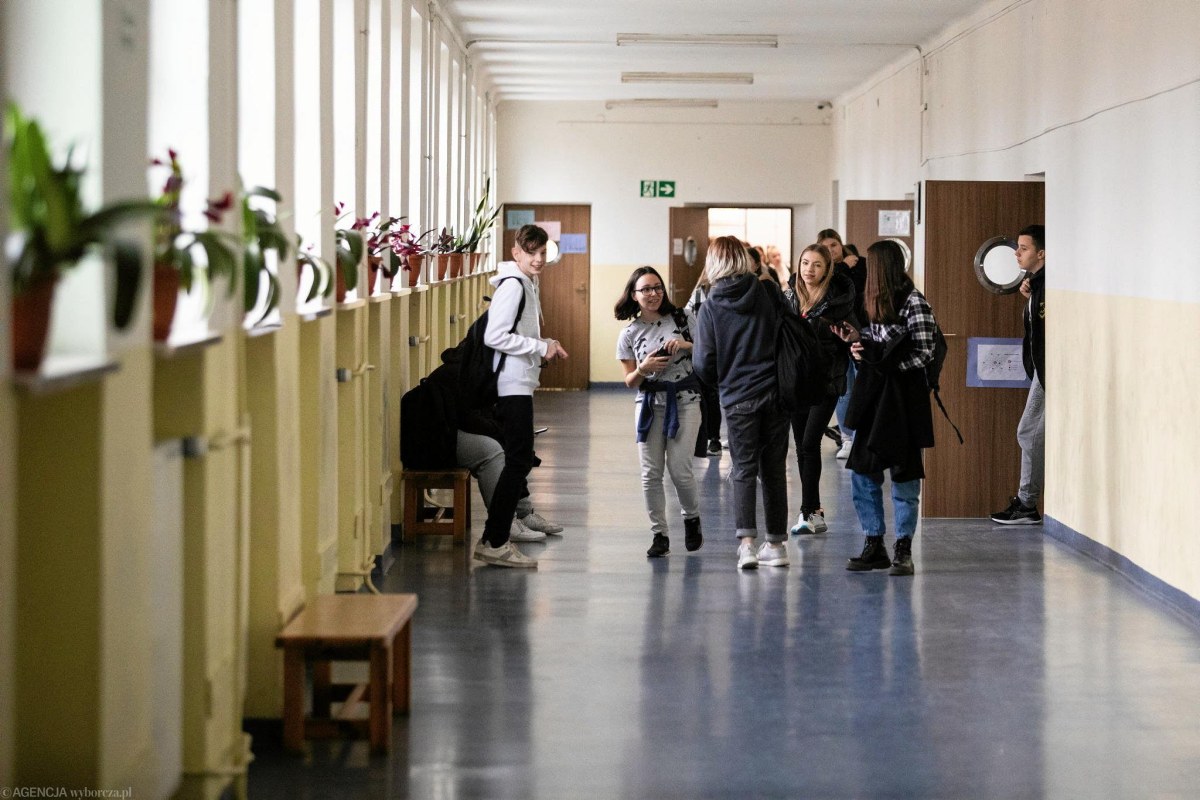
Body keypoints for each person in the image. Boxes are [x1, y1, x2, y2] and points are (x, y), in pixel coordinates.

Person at [832, 239, 937, 576]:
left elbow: (924, 352)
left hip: (903, 401)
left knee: (904, 476)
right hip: (874, 398)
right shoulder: (873, 300)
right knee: (863, 472)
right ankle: (873, 542)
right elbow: (876, 346)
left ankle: (903, 548)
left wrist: (882, 361)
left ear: (882, 268)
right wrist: (858, 343)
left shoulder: (913, 301)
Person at [473, 224, 569, 568]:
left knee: (519, 459)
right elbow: (494, 336)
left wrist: (545, 344)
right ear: (517, 253)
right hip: (510, 384)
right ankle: (495, 540)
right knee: (517, 461)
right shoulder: (513, 285)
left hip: (520, 381)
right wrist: (539, 347)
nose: (538, 259)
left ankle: (496, 537)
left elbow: (518, 334)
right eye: (531, 252)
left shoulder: (527, 282)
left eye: (542, 252)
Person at [693, 236, 791, 569]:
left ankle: (747, 546)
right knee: (774, 470)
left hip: (738, 397)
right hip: (776, 393)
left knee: (744, 469)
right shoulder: (768, 292)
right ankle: (776, 546)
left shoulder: (710, 305)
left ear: (714, 263)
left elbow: (704, 362)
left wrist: (723, 380)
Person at [400, 354, 563, 543]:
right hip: (432, 441)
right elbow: (470, 420)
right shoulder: (467, 373)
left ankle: (523, 513)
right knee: (491, 451)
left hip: (449, 431)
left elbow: (493, 415)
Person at [615, 266, 704, 557]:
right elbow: (630, 381)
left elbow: (707, 352)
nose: (653, 294)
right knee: (650, 473)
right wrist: (643, 368)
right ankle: (659, 535)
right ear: (634, 295)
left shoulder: (682, 317)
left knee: (680, 470)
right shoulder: (629, 333)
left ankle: (691, 517)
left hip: (686, 400)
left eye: (657, 288)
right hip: (649, 405)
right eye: (645, 289)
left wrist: (685, 345)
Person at [784, 243, 857, 535]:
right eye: (805, 263)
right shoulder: (790, 297)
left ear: (827, 269)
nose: (809, 270)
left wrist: (850, 339)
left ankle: (811, 512)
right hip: (795, 380)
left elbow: (854, 338)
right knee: (802, 447)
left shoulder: (838, 301)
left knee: (809, 443)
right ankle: (811, 511)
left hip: (826, 380)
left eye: (816, 264)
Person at [991, 224, 1046, 525]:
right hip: (1039, 368)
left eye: (1024, 248)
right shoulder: (1035, 285)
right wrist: (1030, 293)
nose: (1016, 253)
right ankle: (1027, 502)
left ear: (1042, 253)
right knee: (1032, 433)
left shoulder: (1047, 286)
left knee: (1028, 432)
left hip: (1047, 372)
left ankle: (1027, 503)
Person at [819, 228, 864, 460]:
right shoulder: (825, 270)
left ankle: (861, 436)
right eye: (825, 247)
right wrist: (842, 267)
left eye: (834, 245)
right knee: (844, 389)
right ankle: (847, 437)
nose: (831, 250)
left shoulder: (860, 264)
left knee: (863, 386)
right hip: (836, 337)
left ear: (841, 244)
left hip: (862, 334)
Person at [685, 271, 724, 457]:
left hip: (719, 351)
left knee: (712, 397)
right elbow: (688, 316)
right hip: (702, 349)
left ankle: (714, 438)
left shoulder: (729, 289)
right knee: (704, 396)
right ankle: (705, 439)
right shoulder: (700, 292)